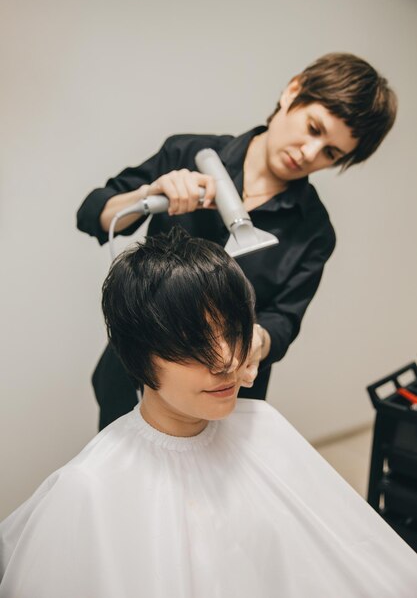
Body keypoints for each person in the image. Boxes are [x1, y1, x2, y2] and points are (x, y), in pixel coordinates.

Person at [1, 229, 416, 598]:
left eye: (234, 332)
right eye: (191, 343)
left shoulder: (264, 426)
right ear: (138, 355)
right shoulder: (87, 489)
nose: (226, 361)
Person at [77, 52, 398, 429]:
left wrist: (256, 342)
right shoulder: (187, 152)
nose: (310, 154)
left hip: (223, 392)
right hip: (137, 371)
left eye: (331, 153)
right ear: (292, 92)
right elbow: (93, 214)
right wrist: (151, 191)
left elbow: (284, 320)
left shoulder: (314, 230)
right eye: (314, 128)